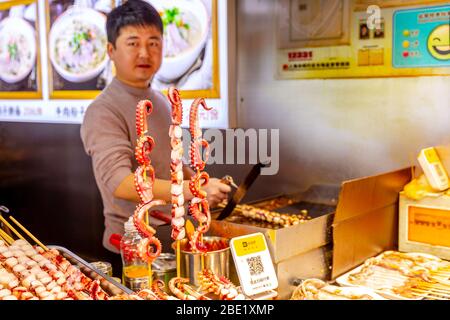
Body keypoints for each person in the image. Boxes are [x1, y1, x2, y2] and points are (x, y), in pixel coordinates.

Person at [80, 0, 231, 275]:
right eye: (133, 43)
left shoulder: (160, 102)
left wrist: (201, 184)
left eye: (153, 42)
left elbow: (170, 165)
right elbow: (121, 182)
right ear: (111, 50)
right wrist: (192, 191)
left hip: (172, 241)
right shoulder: (102, 110)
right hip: (130, 249)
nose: (144, 53)